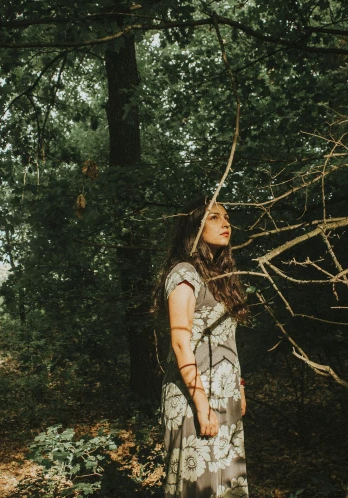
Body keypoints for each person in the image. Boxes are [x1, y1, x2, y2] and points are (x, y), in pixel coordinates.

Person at [152, 196, 249, 498]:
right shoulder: (184, 273)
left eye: (227, 216)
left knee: (225, 486)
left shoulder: (220, 277)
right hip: (195, 399)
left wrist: (240, 388)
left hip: (224, 398)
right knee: (199, 488)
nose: (225, 222)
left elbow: (226, 342)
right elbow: (181, 342)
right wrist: (202, 406)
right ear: (194, 227)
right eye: (214, 217)